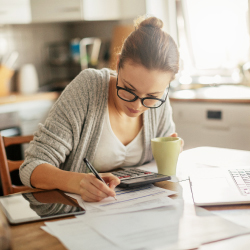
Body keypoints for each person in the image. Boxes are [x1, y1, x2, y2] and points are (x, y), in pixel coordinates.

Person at [20, 16, 181, 202]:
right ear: (118, 63)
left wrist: (172, 150)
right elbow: (31, 167)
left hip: (135, 210)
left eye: (152, 96)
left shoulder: (160, 100)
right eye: (129, 90)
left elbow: (161, 163)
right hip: (77, 214)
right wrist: (77, 182)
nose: (138, 105)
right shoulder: (88, 88)